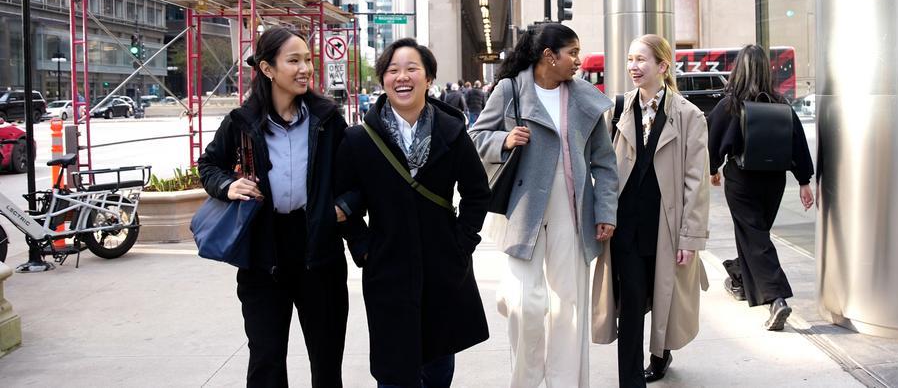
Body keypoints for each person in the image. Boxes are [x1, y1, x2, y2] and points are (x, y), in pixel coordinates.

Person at [334, 38, 491, 387]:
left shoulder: (451, 133)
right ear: (383, 80)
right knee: (393, 371)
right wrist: (362, 248)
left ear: (429, 78)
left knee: (438, 366)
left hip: (443, 266)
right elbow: (343, 199)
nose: (401, 77)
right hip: (387, 266)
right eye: (392, 70)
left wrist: (461, 244)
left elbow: (478, 193)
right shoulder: (359, 140)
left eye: (411, 69)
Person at [198, 26, 351, 387]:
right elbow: (209, 166)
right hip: (263, 254)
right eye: (294, 60)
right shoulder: (242, 122)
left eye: (308, 60)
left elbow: (354, 178)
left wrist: (342, 207)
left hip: (318, 250)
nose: (305, 69)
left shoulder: (327, 120)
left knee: (327, 361)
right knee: (266, 360)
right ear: (267, 69)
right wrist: (227, 184)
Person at [469, 23, 618, 388]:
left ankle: (566, 382)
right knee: (526, 305)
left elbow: (604, 162)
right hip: (524, 214)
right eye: (572, 53)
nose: (578, 61)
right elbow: (475, 137)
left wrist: (605, 212)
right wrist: (504, 140)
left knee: (569, 305)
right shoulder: (510, 90)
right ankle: (526, 381)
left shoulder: (584, 97)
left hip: (573, 212)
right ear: (549, 57)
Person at [592, 34, 710, 385]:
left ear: (662, 66)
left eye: (641, 60)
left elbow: (696, 183)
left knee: (663, 300)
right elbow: (603, 167)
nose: (633, 67)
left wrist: (689, 237)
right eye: (630, 59)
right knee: (629, 307)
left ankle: (661, 354)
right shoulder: (616, 110)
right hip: (625, 228)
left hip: (666, 228)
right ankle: (631, 381)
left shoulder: (689, 116)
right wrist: (603, 214)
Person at [706, 44, 815, 330]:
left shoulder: (730, 104)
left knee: (755, 238)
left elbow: (712, 140)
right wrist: (804, 182)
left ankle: (776, 298)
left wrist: (712, 170)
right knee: (756, 235)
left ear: (738, 69)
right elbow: (798, 146)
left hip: (742, 181)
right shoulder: (781, 104)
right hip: (774, 181)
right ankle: (739, 278)